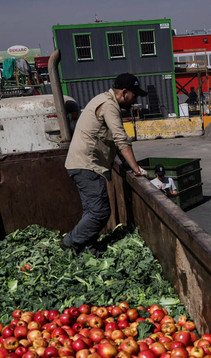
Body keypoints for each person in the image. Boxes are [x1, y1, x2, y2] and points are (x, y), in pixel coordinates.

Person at [60, 72, 148, 256]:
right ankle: (69, 242)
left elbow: (114, 144)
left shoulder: (104, 100)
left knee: (91, 210)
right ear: (124, 93)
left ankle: (88, 249)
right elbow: (120, 139)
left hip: (81, 163)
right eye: (134, 95)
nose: (135, 100)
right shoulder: (109, 105)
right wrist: (136, 169)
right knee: (100, 212)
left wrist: (126, 163)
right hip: (87, 165)